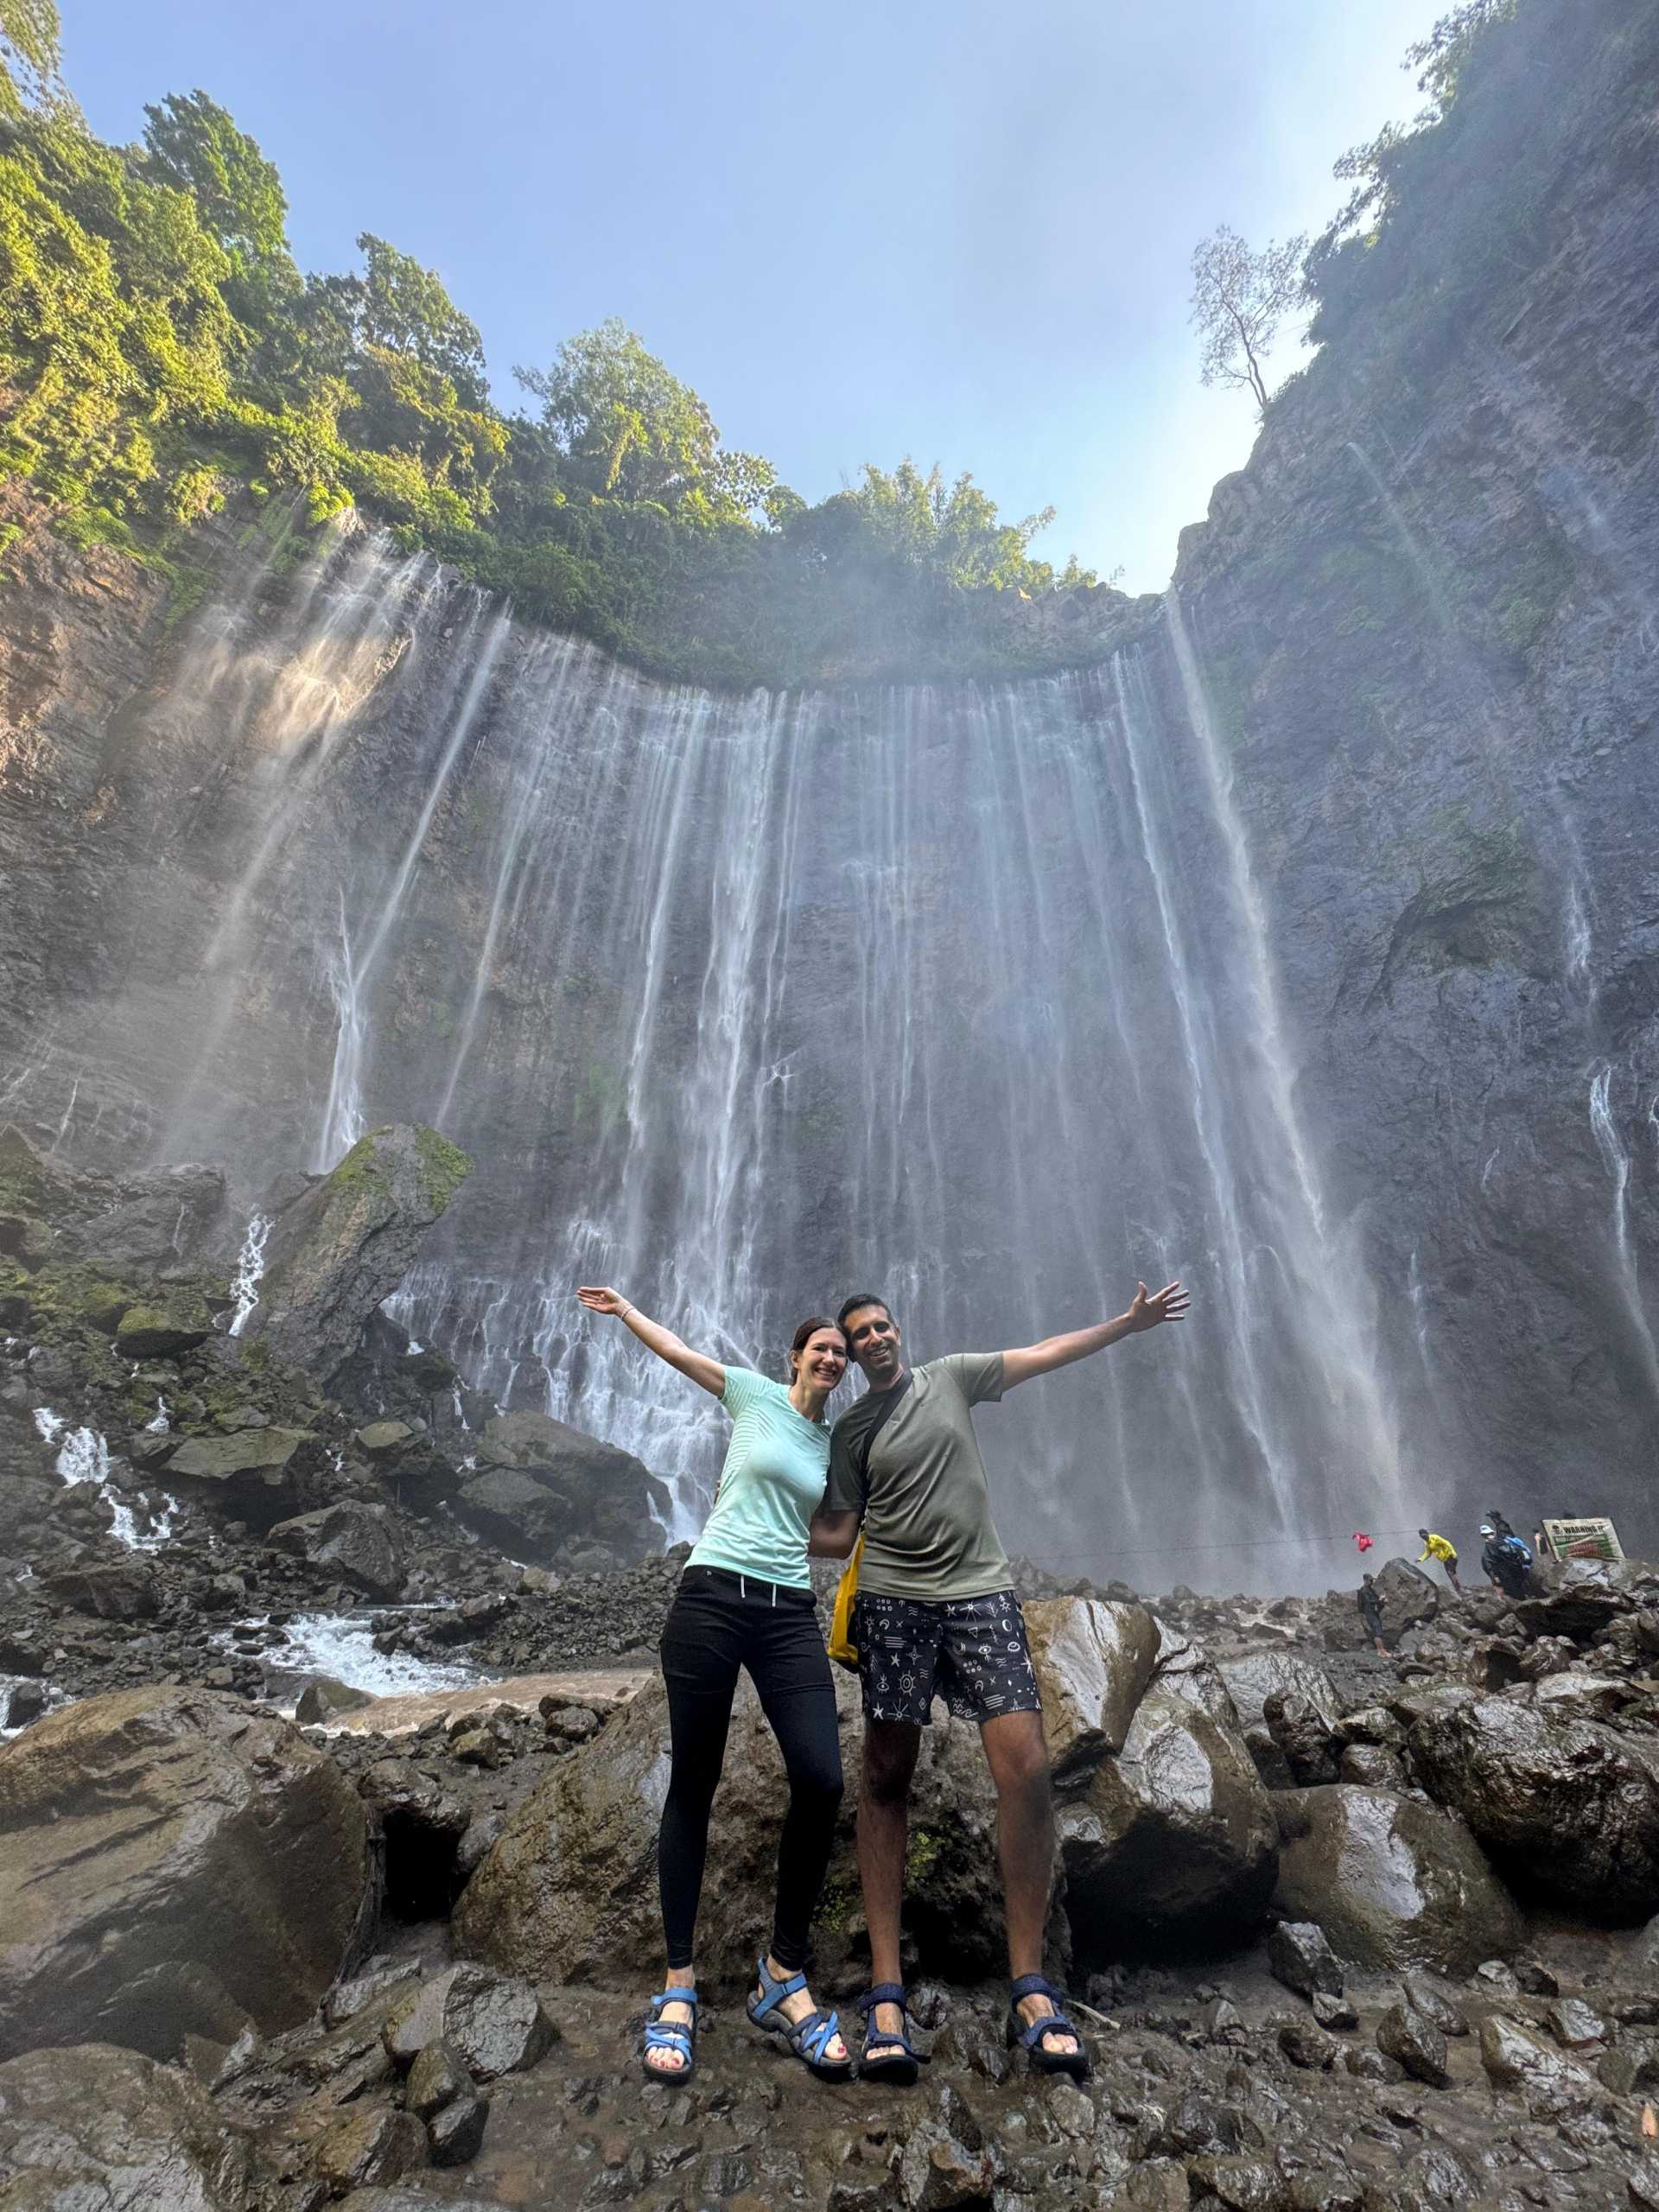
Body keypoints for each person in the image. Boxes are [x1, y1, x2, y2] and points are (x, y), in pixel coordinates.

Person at [809, 1280, 1190, 2086]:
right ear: (848, 1355)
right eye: (858, 1335)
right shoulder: (849, 1430)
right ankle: (886, 1993)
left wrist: (1126, 1323)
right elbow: (835, 1537)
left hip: (981, 1596)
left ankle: (1029, 1985)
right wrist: (760, 1493)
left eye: (880, 1326)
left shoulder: (951, 1376)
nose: (873, 1339)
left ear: (897, 1331)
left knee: (1027, 1771)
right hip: (894, 1606)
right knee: (885, 1777)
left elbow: (1047, 1354)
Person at [577, 1286, 854, 2084]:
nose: (833, 1357)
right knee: (693, 1783)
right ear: (796, 1358)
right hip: (710, 1598)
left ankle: (782, 1973)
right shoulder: (753, 1394)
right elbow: (678, 1354)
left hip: (786, 1610)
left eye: (841, 1351)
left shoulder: (832, 1442)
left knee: (822, 1775)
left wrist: (864, 1519)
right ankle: (678, 1984)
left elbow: (835, 1532)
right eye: (822, 1348)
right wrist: (629, 1312)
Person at [1480, 1519, 1533, 1601]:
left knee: (1513, 1591)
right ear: (1492, 1533)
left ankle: (1522, 1602)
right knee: (1521, 1585)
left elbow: (1488, 1563)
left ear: (1483, 1536)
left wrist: (1494, 1576)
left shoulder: (1489, 1546)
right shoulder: (1504, 1540)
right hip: (1517, 1567)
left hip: (1505, 1572)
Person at [1417, 1528, 1463, 1595]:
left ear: (1427, 1534)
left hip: (1449, 1556)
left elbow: (1446, 1543)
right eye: (1422, 1537)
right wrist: (1420, 1559)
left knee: (1450, 1573)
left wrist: (1453, 1553)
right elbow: (1428, 1553)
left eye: (1425, 1536)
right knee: (1450, 1574)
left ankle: (1458, 1589)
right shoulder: (1427, 1544)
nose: (1424, 1538)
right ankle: (1458, 1588)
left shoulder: (1435, 1538)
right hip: (1445, 1559)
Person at [1357, 1571, 1389, 1656]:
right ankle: (1381, 1651)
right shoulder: (1363, 1591)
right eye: (1371, 1580)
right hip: (1370, 1614)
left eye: (1372, 1580)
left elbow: (1375, 1598)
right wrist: (1379, 1600)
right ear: (1366, 1580)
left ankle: (1382, 1651)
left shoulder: (1370, 1589)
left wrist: (1382, 1600)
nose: (1372, 1582)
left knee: (1379, 1630)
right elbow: (1369, 1601)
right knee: (1377, 1631)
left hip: (1374, 1612)